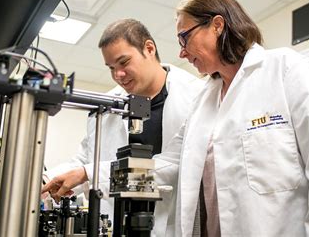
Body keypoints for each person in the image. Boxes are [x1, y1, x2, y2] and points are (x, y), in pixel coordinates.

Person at [153, 0, 309, 236]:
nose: (181, 53)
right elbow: (171, 163)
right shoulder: (203, 100)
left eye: (184, 38)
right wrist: (110, 174)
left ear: (217, 25)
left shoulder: (285, 70)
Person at [41, 18, 204, 236]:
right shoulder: (108, 104)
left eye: (124, 62)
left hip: (170, 225)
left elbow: (172, 170)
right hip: (116, 223)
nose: (118, 75)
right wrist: (45, 180)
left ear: (149, 48)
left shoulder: (196, 95)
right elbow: (87, 159)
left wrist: (89, 173)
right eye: (111, 68)